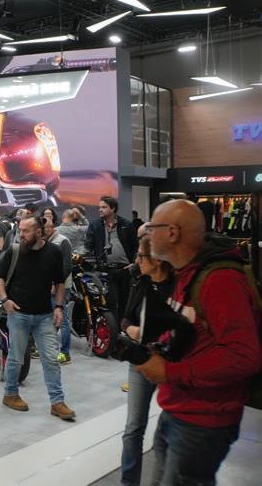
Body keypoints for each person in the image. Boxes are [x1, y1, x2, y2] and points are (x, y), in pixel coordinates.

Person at [136, 199, 261, 486]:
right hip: (179, 410)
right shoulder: (188, 273)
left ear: (172, 232)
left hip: (203, 422)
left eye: (152, 228)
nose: (147, 234)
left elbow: (244, 355)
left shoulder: (220, 280)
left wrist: (170, 372)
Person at [0, 216, 75, 420]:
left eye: (26, 231)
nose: (21, 234)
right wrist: (4, 299)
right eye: (20, 230)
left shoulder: (54, 252)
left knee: (51, 359)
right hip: (18, 314)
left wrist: (59, 306)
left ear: (39, 232)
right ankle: (10, 394)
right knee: (16, 358)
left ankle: (57, 402)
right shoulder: (14, 251)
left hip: (44, 316)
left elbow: (60, 282)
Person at [120, 235, 174, 486]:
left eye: (141, 256)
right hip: (140, 360)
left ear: (157, 260)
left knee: (167, 432)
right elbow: (125, 318)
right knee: (133, 428)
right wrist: (130, 329)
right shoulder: (141, 282)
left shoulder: (178, 288)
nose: (137, 261)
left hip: (169, 364)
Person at [85, 196, 138, 328]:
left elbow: (136, 246)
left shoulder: (126, 224)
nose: (100, 210)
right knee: (110, 302)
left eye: (103, 207)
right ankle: (113, 331)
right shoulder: (95, 225)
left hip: (125, 269)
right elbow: (88, 246)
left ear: (113, 208)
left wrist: (134, 263)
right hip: (105, 271)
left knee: (125, 301)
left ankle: (124, 329)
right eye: (100, 207)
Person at [43, 219, 73, 365]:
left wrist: (56, 283)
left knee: (63, 320)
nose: (42, 231)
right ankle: (51, 349)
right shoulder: (46, 241)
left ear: (51, 228)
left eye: (44, 228)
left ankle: (65, 353)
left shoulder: (63, 241)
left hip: (61, 287)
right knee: (50, 318)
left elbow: (67, 266)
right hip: (50, 286)